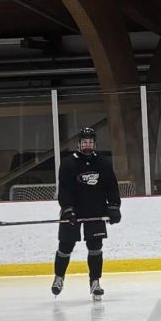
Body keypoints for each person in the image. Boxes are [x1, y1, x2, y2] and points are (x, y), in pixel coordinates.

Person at [51, 126, 121, 300]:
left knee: (95, 247)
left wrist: (113, 206)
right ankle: (59, 277)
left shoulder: (103, 162)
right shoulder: (68, 163)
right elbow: (64, 190)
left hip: (95, 209)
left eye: (90, 142)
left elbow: (111, 186)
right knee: (66, 246)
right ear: (79, 144)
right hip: (73, 210)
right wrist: (68, 209)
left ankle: (95, 282)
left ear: (94, 144)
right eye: (84, 142)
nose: (87, 145)